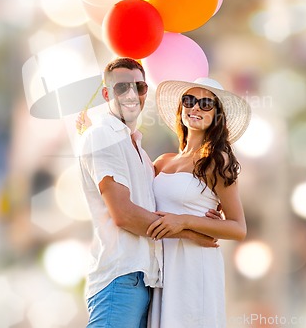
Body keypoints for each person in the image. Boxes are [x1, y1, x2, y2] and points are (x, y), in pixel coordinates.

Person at [77, 59, 221, 328]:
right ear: (107, 94)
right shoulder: (102, 136)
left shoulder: (141, 153)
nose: (132, 95)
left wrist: (201, 208)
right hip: (120, 277)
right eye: (121, 87)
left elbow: (164, 199)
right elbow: (125, 215)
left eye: (139, 87)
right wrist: (190, 233)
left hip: (145, 279)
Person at [147, 77, 251, 328]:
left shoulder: (217, 161)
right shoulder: (162, 162)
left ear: (217, 116)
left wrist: (184, 221)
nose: (195, 108)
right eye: (189, 101)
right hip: (161, 263)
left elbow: (238, 228)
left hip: (194, 264)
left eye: (205, 104)